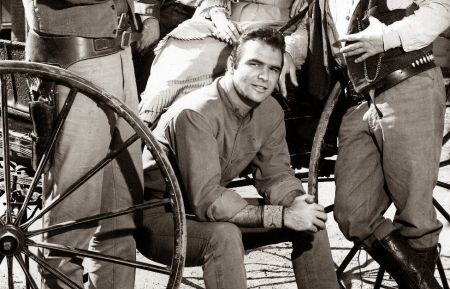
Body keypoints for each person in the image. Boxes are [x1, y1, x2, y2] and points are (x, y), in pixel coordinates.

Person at [135, 27, 339, 289]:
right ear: (232, 65)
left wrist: (297, 204)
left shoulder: (270, 110)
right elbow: (207, 199)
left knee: (312, 222)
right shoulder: (195, 113)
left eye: (274, 69)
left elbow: (275, 175)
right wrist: (281, 216)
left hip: (208, 211)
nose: (264, 77)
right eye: (254, 64)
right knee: (223, 235)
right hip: (162, 218)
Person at [301, 0, 450, 288]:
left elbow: (443, 7)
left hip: (409, 84)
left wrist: (386, 38)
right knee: (352, 212)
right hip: (358, 100)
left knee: (416, 217)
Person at [21, 0, 158, 288]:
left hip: (120, 55)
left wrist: (148, 12)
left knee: (121, 214)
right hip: (75, 61)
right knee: (71, 218)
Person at [138, 0, 309, 125]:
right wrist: (219, 16)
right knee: (181, 51)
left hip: (274, 31)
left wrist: (286, 51)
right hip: (224, 24)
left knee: (223, 59)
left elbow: (309, 25)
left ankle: (179, 125)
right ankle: (150, 119)